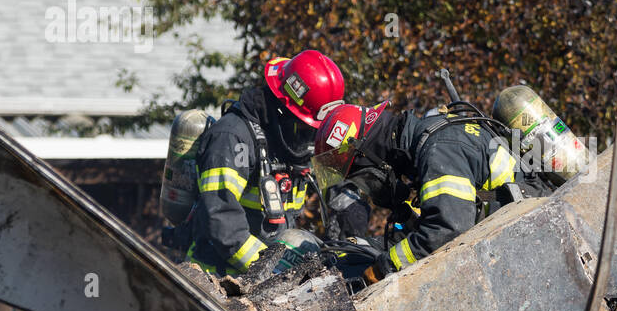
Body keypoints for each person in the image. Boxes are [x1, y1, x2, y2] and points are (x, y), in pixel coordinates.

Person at [312, 100, 522, 285]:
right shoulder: (426, 142)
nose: (370, 188)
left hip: (520, 245)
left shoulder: (438, 148)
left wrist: (382, 268)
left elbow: (446, 230)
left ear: (371, 158)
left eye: (364, 179)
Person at [184, 51, 345, 275]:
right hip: (215, 281)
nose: (309, 138)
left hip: (262, 279)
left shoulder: (290, 142)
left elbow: (337, 180)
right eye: (304, 127)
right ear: (282, 110)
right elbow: (222, 219)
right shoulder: (232, 137)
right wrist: (272, 271)